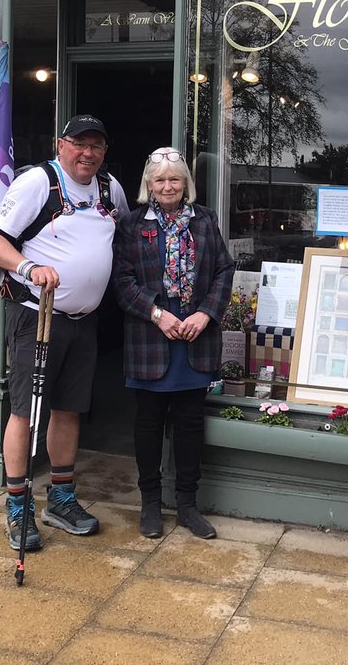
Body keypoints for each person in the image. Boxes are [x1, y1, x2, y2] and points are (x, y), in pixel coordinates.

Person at [0, 115, 130, 552]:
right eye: (79, 144)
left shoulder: (109, 188)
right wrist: (29, 267)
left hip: (84, 321)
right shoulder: (37, 183)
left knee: (68, 410)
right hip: (37, 316)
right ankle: (18, 506)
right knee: (25, 412)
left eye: (97, 146)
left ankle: (60, 500)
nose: (88, 153)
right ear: (60, 144)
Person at [113, 147, 235, 540]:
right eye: (160, 179)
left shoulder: (205, 221)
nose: (167, 186)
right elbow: (122, 280)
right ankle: (150, 505)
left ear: (186, 183)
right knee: (148, 424)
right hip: (152, 333)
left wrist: (205, 314)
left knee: (189, 424)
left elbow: (222, 270)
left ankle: (186, 505)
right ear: (149, 184)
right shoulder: (131, 225)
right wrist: (157, 313)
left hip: (195, 335)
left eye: (175, 179)